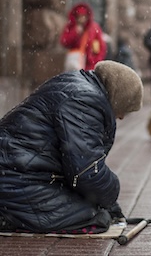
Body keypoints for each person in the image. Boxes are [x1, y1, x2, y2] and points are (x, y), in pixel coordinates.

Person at [0, 60, 143, 233]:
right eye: (125, 110)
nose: (121, 117)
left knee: (94, 208)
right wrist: (111, 194)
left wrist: (107, 201)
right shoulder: (85, 100)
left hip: (17, 171)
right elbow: (86, 172)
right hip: (14, 178)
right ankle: (7, 216)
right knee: (93, 216)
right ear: (119, 99)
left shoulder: (78, 86)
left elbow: (79, 166)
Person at [60, 2, 107, 71]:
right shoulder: (71, 26)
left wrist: (94, 61)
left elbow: (101, 47)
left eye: (83, 16)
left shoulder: (94, 28)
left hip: (90, 66)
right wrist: (75, 32)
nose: (81, 19)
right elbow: (64, 41)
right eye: (79, 16)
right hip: (75, 63)